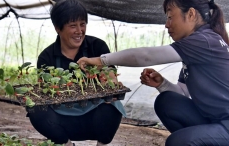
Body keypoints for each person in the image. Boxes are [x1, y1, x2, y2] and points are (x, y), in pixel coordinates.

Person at [77, 0, 229, 145]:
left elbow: (146, 56)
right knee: (167, 101)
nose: (166, 24)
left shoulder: (204, 40)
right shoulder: (195, 48)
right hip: (216, 120)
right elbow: (182, 94)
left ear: (191, 14)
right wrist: (162, 84)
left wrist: (101, 60)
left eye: (170, 17)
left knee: (178, 142)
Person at [26, 0, 126, 146]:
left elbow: (111, 78)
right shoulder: (46, 57)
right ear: (58, 28)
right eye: (73, 26)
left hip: (94, 117)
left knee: (113, 105)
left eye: (82, 24)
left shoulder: (97, 46)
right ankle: (67, 144)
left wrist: (111, 84)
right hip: (64, 118)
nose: (79, 31)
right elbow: (46, 93)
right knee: (35, 109)